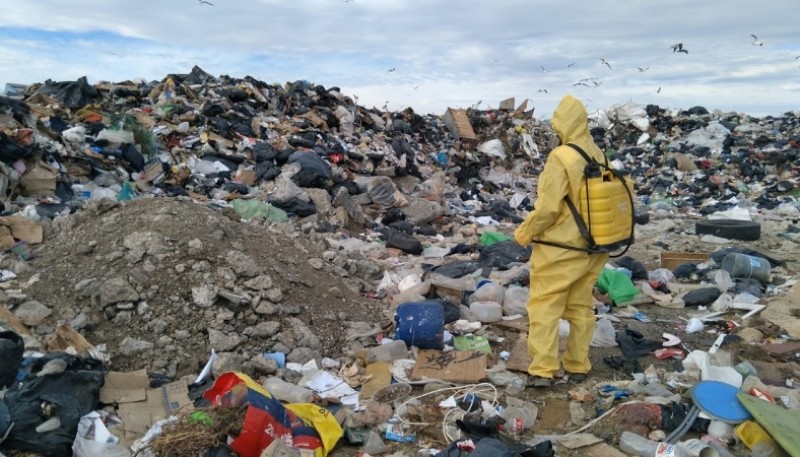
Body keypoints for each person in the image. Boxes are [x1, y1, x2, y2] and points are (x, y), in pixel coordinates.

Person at [514, 94, 608, 387]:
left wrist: (525, 232)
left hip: (562, 246)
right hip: (595, 243)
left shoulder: (562, 155)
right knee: (580, 305)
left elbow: (549, 207)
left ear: (562, 123)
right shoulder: (596, 152)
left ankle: (542, 370)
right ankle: (578, 364)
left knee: (545, 305)